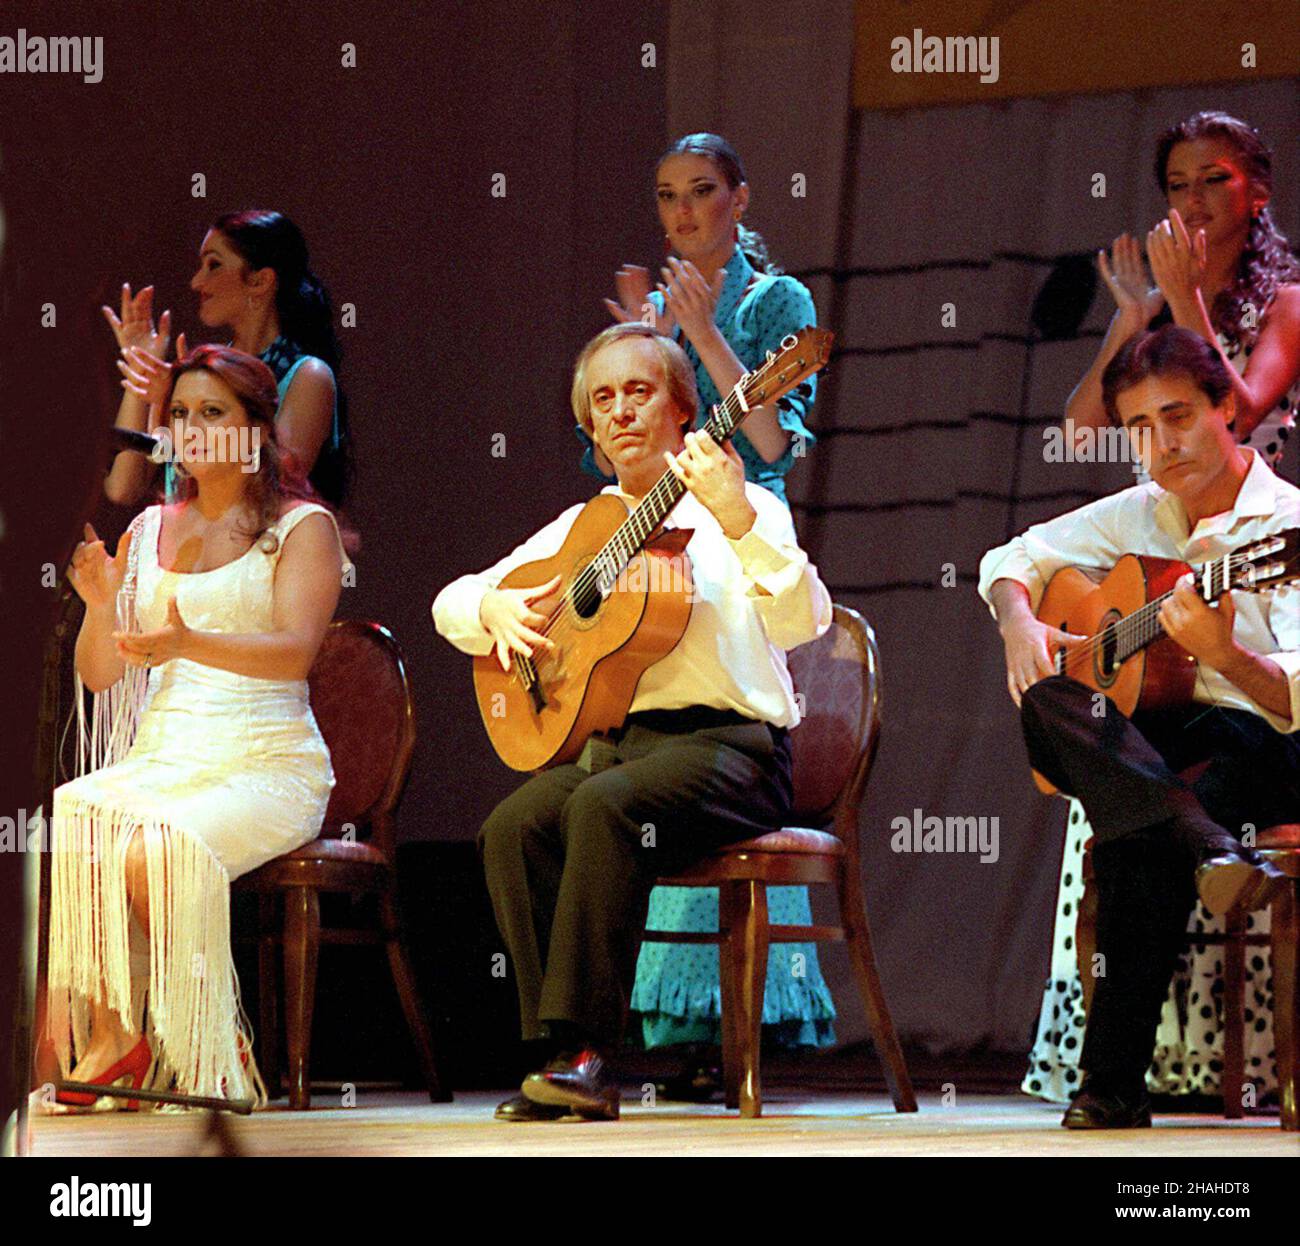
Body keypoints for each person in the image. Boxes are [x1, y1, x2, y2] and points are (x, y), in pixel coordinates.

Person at [432, 322, 831, 1120]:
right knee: (512, 825)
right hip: (630, 754)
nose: (619, 412)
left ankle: (586, 1052)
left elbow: (804, 621)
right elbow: (450, 602)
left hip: (736, 753)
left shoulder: (744, 505)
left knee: (595, 805)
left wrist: (740, 522)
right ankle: (553, 1054)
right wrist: (491, 606)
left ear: (686, 409)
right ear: (590, 428)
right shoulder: (585, 529)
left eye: (638, 391)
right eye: (602, 400)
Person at [981, 325, 1300, 1129]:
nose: (1160, 445)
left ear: (1228, 406)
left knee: (1136, 833)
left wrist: (1222, 651)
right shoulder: (1142, 512)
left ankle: (1113, 1085)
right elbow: (1011, 556)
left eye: (1179, 416)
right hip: (1174, 747)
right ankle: (1204, 842)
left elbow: (1295, 700)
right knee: (1051, 696)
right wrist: (1019, 620)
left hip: (1271, 740)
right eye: (1138, 429)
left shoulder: (1283, 528)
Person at [47, 346, 350, 1109]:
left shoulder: (301, 528)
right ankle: (117, 1040)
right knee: (81, 813)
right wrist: (97, 605)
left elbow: (293, 655)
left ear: (256, 428)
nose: (191, 428)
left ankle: (211, 1039)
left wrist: (187, 643)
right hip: (169, 756)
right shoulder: (150, 528)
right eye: (180, 413)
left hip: (267, 763)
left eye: (213, 412)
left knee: (158, 851)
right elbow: (103, 674)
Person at [594, 133, 834, 1090]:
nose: (683, 213)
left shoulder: (778, 302)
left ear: (740, 198)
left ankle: (741, 1027)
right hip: (654, 559)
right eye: (666, 197)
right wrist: (632, 353)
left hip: (745, 534)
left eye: (701, 193)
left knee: (720, 728)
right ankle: (664, 1032)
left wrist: (698, 334)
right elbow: (610, 460)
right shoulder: (654, 305)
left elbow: (775, 435)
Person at [1066, 111, 1300, 468]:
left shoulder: (1286, 303)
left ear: (1258, 192)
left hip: (1248, 516)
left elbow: (1237, 419)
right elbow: (1077, 437)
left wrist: (1185, 299)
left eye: (1214, 179)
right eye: (1178, 185)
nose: (1193, 197)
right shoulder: (1154, 305)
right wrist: (1131, 321)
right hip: (1160, 516)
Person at [104, 210, 353, 509]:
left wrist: (174, 407)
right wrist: (141, 370)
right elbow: (122, 488)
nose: (197, 282)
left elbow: (271, 484)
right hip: (190, 551)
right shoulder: (204, 375)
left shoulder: (308, 375)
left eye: (214, 265)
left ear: (260, 281)